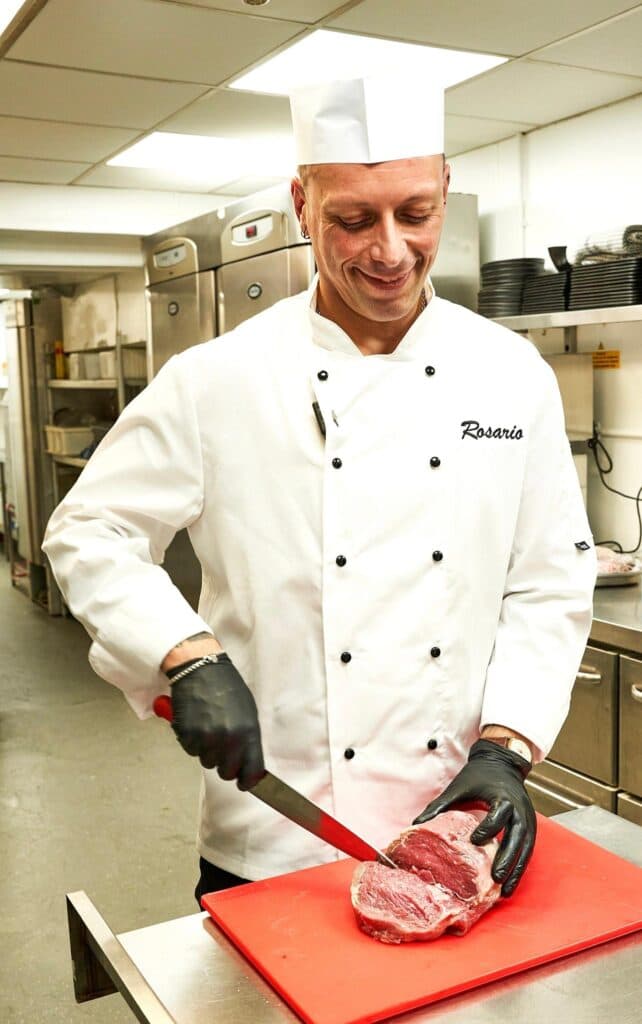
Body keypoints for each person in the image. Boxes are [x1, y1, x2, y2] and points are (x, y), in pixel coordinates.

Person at [43, 71, 596, 905]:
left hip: (457, 819)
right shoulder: (217, 378)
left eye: (416, 213)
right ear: (302, 203)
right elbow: (90, 530)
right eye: (351, 219)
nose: (388, 250)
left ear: (446, 189)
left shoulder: (511, 372)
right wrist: (185, 655)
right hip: (274, 832)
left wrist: (507, 749)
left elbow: (549, 578)